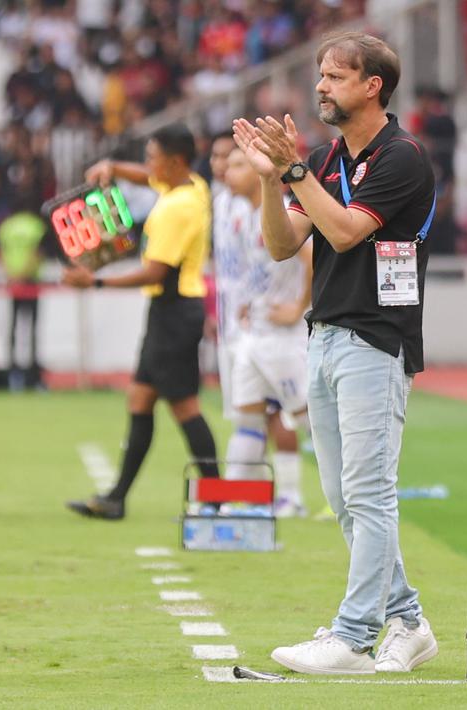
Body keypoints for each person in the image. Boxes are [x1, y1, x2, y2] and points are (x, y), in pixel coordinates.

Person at [234, 29, 438, 675]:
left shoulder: (402, 157)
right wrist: (273, 181)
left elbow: (346, 233)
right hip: (324, 337)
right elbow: (280, 244)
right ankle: (407, 623)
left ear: (371, 85)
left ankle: (352, 636)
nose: (319, 86)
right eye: (320, 75)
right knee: (347, 498)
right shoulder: (323, 160)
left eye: (333, 76)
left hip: (376, 340)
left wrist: (293, 168)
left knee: (368, 494)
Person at [62, 124, 221, 520]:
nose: (148, 166)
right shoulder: (192, 186)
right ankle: (116, 498)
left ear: (175, 162)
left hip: (174, 311)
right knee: (140, 398)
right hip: (171, 311)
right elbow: (149, 177)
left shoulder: (174, 209)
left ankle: (217, 499)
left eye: (153, 158)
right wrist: (113, 167)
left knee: (185, 407)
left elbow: (153, 273)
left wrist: (94, 281)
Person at [221, 146, 314, 516]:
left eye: (238, 164)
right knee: (248, 415)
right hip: (253, 333)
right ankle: (235, 498)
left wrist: (299, 306)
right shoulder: (245, 214)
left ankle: (304, 496)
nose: (229, 172)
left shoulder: (283, 210)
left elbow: (313, 257)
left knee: (303, 417)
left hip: (281, 338)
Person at [0, 200, 47, 390]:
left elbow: (0, 254)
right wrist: (23, 275)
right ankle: (31, 376)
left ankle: (13, 372)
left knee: (13, 329)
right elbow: (38, 254)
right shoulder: (36, 225)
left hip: (14, 281)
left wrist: (12, 276)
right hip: (30, 280)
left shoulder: (6, 227)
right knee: (32, 330)